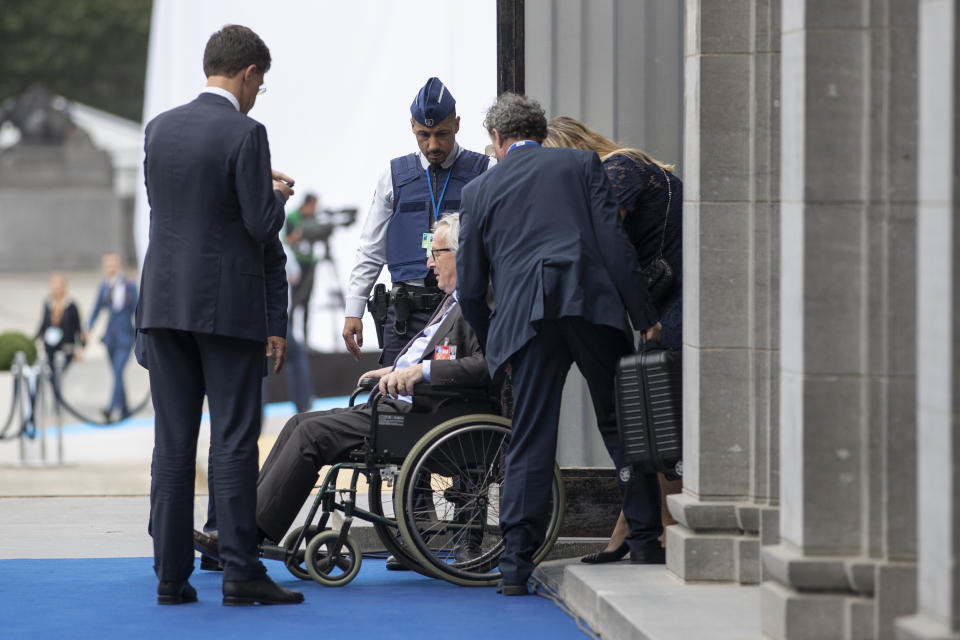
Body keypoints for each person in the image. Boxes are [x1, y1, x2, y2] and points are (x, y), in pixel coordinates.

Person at [457, 93, 663, 596]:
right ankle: (642, 539)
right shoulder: (581, 164)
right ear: (542, 131)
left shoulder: (480, 190)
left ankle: (514, 567)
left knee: (531, 435)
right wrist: (644, 313)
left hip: (526, 321)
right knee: (619, 423)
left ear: (499, 141)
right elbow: (613, 244)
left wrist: (495, 347)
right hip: (589, 304)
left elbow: (468, 288)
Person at [192, 214, 488, 557]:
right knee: (299, 422)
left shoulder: (477, 303)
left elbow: (485, 366)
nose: (428, 263)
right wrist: (395, 368)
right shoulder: (452, 300)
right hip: (404, 406)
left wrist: (422, 371)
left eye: (435, 254)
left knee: (312, 435)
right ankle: (241, 527)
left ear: (460, 253)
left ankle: (243, 539)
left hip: (426, 416)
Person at [137, 24, 302, 606]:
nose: (259, 96)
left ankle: (169, 578)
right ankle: (239, 572)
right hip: (226, 309)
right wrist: (274, 196)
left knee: (172, 445)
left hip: (161, 305)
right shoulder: (247, 132)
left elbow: (176, 213)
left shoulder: (159, 129)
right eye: (261, 84)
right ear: (249, 73)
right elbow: (259, 225)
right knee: (232, 441)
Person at [544, 116, 684, 563]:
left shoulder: (617, 169)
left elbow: (605, 237)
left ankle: (670, 527)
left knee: (659, 414)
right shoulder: (618, 168)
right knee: (647, 414)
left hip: (678, 299)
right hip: (664, 299)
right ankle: (636, 525)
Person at [342, 77, 494, 365]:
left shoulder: (485, 171)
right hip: (404, 316)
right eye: (424, 134)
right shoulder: (393, 174)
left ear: (458, 124)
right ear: (411, 125)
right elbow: (371, 247)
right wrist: (354, 308)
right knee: (392, 399)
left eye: (442, 134)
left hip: (461, 313)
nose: (433, 144)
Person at [85, 253, 137, 422]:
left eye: (113, 263)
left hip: (125, 336)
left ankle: (111, 407)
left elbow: (137, 310)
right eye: (107, 263)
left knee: (118, 370)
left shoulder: (129, 286)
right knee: (116, 374)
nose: (110, 266)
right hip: (110, 337)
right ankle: (125, 409)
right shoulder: (104, 287)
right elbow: (96, 309)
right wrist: (88, 327)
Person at [35, 273, 84, 387]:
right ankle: (55, 402)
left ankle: (58, 401)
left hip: (66, 347)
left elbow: (78, 327)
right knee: (51, 377)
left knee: (59, 376)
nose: (56, 288)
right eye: (53, 285)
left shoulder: (71, 305)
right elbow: (42, 325)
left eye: (59, 285)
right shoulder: (48, 304)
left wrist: (80, 347)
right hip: (50, 347)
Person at [284, 193, 319, 343]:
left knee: (307, 302)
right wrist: (300, 232)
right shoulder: (292, 217)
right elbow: (287, 240)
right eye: (314, 206)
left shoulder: (313, 219)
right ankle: (289, 338)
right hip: (297, 265)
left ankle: (305, 341)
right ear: (307, 204)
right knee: (295, 301)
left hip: (310, 264)